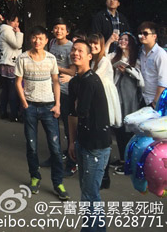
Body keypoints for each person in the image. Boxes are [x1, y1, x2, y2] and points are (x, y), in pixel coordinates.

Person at [15, 25, 69, 200]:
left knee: (55, 147)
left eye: (41, 38)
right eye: (34, 38)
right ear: (30, 39)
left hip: (48, 107)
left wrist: (58, 104)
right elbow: (18, 82)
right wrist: (24, 103)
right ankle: (35, 177)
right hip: (30, 107)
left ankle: (58, 182)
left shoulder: (51, 59)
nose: (37, 41)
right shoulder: (23, 58)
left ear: (46, 40)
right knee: (31, 145)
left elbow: (56, 81)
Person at [68, 39, 112, 231]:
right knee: (87, 193)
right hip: (82, 143)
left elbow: (81, 110)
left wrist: (77, 108)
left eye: (80, 51)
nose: (75, 53)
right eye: (73, 50)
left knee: (90, 194)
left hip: (97, 146)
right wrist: (72, 142)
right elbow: (72, 114)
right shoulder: (75, 82)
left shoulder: (91, 81)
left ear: (89, 56)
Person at [46, 18, 76, 176]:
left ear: (67, 32)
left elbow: (72, 71)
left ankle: (72, 163)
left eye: (62, 29)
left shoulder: (71, 47)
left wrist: (53, 67)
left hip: (65, 92)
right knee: (53, 128)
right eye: (56, 28)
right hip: (51, 90)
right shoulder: (52, 43)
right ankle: (55, 157)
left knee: (68, 130)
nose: (58, 31)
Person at [110, 32, 143, 173]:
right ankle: (123, 158)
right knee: (118, 128)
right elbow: (103, 57)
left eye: (126, 40)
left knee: (128, 129)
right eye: (121, 39)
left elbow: (141, 80)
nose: (123, 42)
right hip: (117, 94)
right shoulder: (114, 56)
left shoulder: (136, 59)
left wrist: (128, 70)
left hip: (130, 96)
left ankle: (129, 162)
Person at [0, 11, 23, 121]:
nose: (16, 24)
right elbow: (17, 45)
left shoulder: (3, 30)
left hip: (5, 62)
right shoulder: (8, 31)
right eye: (13, 21)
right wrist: (19, 33)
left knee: (6, 89)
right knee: (13, 89)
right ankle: (13, 114)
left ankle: (3, 110)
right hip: (10, 63)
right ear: (8, 21)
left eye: (17, 21)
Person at [137, 21, 167, 107]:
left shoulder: (160, 54)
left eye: (145, 33)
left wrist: (155, 102)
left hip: (156, 100)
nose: (142, 36)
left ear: (154, 36)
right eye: (140, 33)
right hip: (143, 98)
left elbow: (163, 81)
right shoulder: (141, 52)